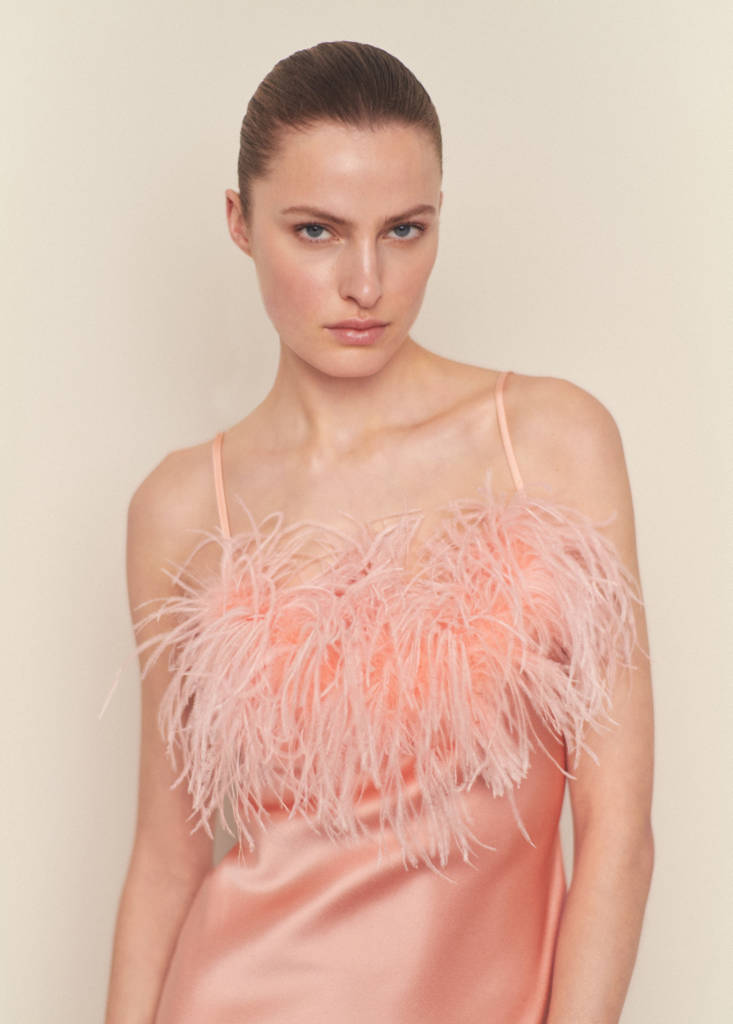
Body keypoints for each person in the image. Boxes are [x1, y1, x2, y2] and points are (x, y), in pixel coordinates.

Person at [103, 40, 654, 1024]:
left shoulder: (548, 442)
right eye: (315, 231)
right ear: (239, 222)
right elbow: (165, 859)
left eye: (404, 230)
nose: (366, 282)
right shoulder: (185, 507)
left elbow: (617, 833)